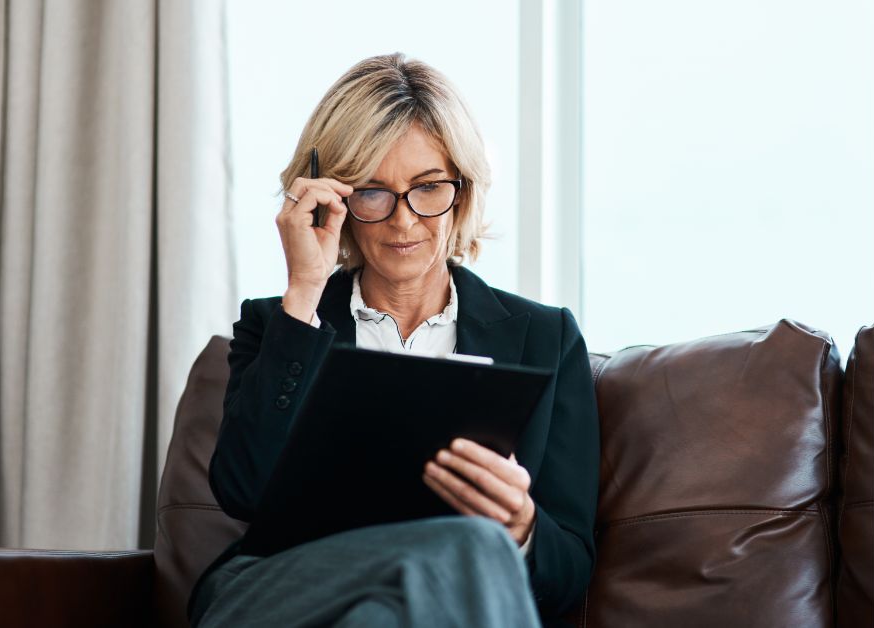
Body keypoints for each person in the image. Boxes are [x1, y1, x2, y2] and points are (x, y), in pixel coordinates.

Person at [188, 53, 600, 628]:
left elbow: (571, 569)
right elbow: (242, 490)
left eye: (428, 187)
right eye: (373, 192)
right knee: (470, 550)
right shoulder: (277, 324)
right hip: (278, 593)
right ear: (334, 198)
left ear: (463, 188)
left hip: (427, 606)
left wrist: (523, 526)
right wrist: (305, 288)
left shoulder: (545, 339)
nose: (403, 221)